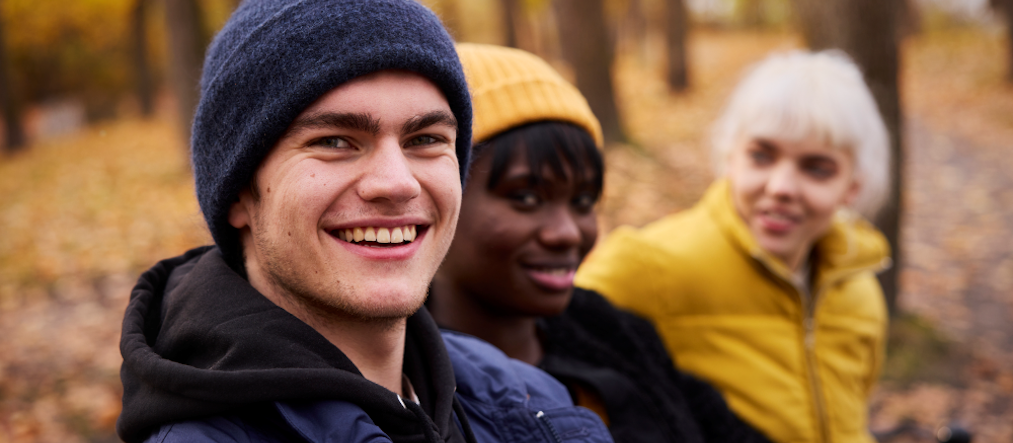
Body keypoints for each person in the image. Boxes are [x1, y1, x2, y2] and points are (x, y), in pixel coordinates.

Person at [116, 2, 612, 442]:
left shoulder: (525, 395)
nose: (398, 184)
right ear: (239, 193)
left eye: (426, 140)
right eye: (334, 141)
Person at [428, 43, 770, 443]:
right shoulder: (410, 384)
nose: (568, 232)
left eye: (583, 201)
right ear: (442, 192)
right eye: (526, 198)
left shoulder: (610, 332)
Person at [575, 50, 892, 443]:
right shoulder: (652, 265)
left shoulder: (859, 290)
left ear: (853, 185)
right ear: (731, 156)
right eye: (761, 156)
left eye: (816, 168)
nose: (780, 188)